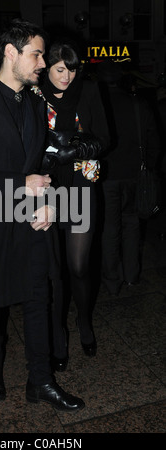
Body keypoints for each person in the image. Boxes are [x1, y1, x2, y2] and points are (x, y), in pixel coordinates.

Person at [0, 19, 85, 411]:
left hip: (31, 219)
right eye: (36, 53)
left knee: (39, 297)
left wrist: (48, 201)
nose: (42, 62)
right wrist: (22, 183)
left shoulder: (39, 104)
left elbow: (45, 164)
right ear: (11, 52)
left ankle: (40, 380)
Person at [32, 40, 110, 369]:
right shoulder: (34, 96)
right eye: (60, 69)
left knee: (78, 265)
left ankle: (85, 321)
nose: (66, 76)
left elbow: (105, 139)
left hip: (79, 185)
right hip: (47, 187)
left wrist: (75, 147)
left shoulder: (88, 92)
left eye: (72, 69)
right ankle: (58, 336)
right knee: (55, 271)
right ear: (47, 68)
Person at [97, 61, 160, 295]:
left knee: (109, 229)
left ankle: (112, 279)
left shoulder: (98, 106)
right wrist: (148, 167)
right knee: (133, 225)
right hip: (135, 176)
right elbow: (154, 142)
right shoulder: (138, 104)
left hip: (107, 177)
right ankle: (132, 275)